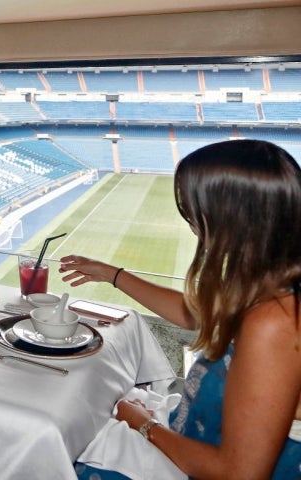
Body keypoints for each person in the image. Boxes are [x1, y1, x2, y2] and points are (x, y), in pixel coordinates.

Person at [59, 139, 301, 479]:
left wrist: (145, 426)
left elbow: (239, 473)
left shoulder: (274, 320)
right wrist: (112, 275)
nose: (190, 218)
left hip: (204, 461)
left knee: (66, 449)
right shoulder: (269, 282)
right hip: (192, 428)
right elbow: (193, 312)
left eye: (194, 206)